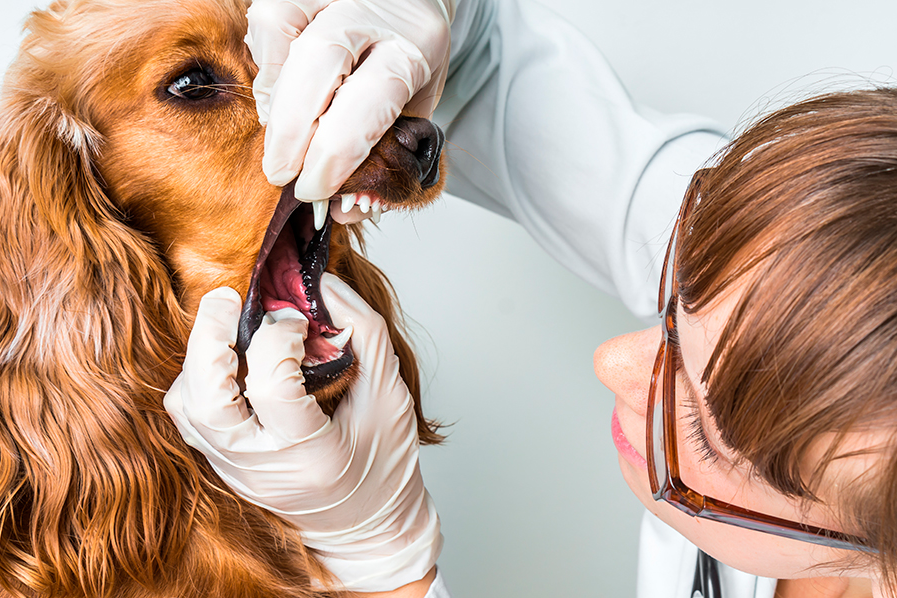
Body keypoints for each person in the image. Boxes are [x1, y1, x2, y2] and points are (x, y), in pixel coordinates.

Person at [163, 0, 897, 597]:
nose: (610, 359)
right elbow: (491, 74)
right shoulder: (832, 253)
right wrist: (410, 24)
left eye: (703, 429)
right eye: (685, 292)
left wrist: (386, 567)